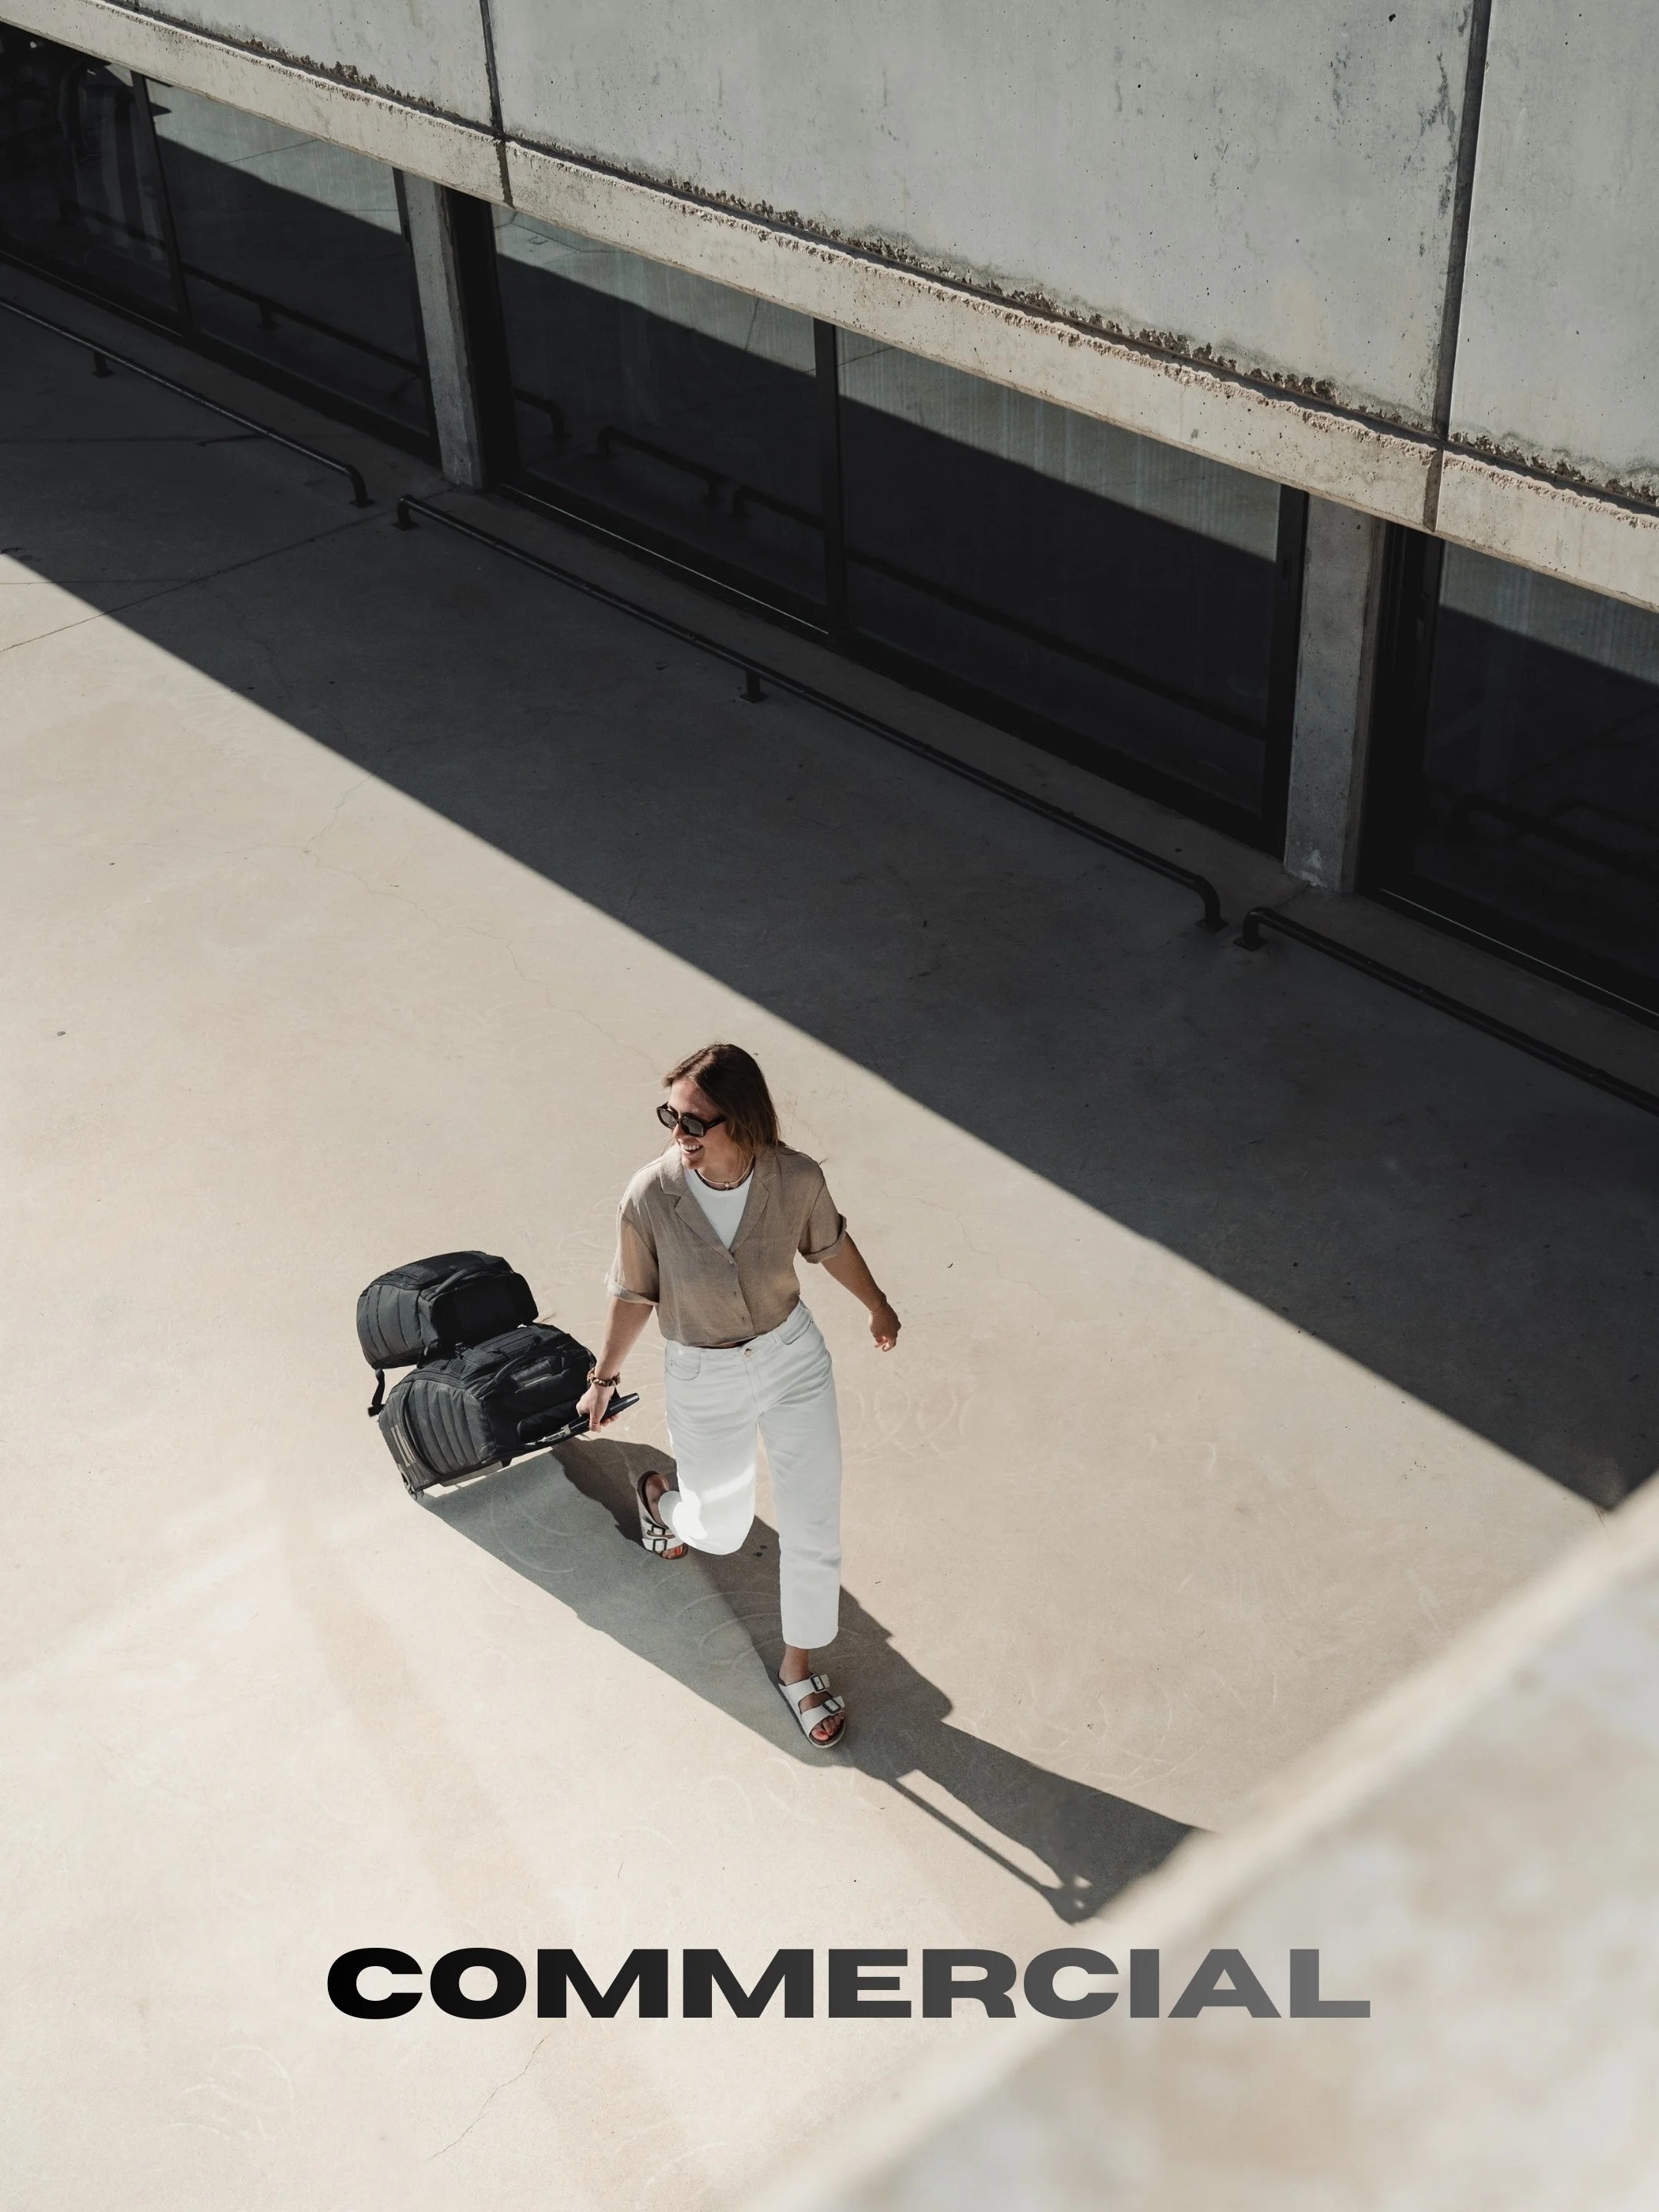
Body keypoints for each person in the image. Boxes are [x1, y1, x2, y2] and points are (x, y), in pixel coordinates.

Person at [576, 1043, 899, 1747]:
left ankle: (797, 1669)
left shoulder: (795, 1178)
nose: (679, 1134)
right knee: (720, 1532)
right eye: (671, 1116)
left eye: (695, 1122)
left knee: (813, 1525)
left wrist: (877, 1305)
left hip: (793, 1361)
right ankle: (659, 1495)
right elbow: (633, 1294)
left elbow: (830, 1245)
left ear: (742, 1120)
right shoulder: (650, 1195)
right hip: (705, 1376)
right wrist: (603, 1380)